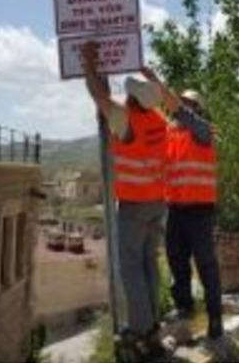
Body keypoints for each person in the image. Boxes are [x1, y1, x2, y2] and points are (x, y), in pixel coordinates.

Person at [80, 43, 168, 359]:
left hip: (134, 206)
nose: (126, 97)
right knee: (149, 265)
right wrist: (154, 79)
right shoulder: (159, 119)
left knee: (131, 268)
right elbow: (164, 99)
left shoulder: (127, 122)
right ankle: (153, 325)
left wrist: (89, 64)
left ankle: (142, 330)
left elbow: (98, 97)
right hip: (158, 203)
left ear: (132, 99)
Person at [141, 68, 224, 340]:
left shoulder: (202, 131)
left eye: (189, 106)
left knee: (206, 264)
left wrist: (155, 81)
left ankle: (214, 318)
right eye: (183, 104)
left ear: (196, 110)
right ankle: (185, 307)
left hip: (200, 211)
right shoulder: (170, 134)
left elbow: (177, 111)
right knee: (177, 261)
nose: (183, 109)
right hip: (176, 210)